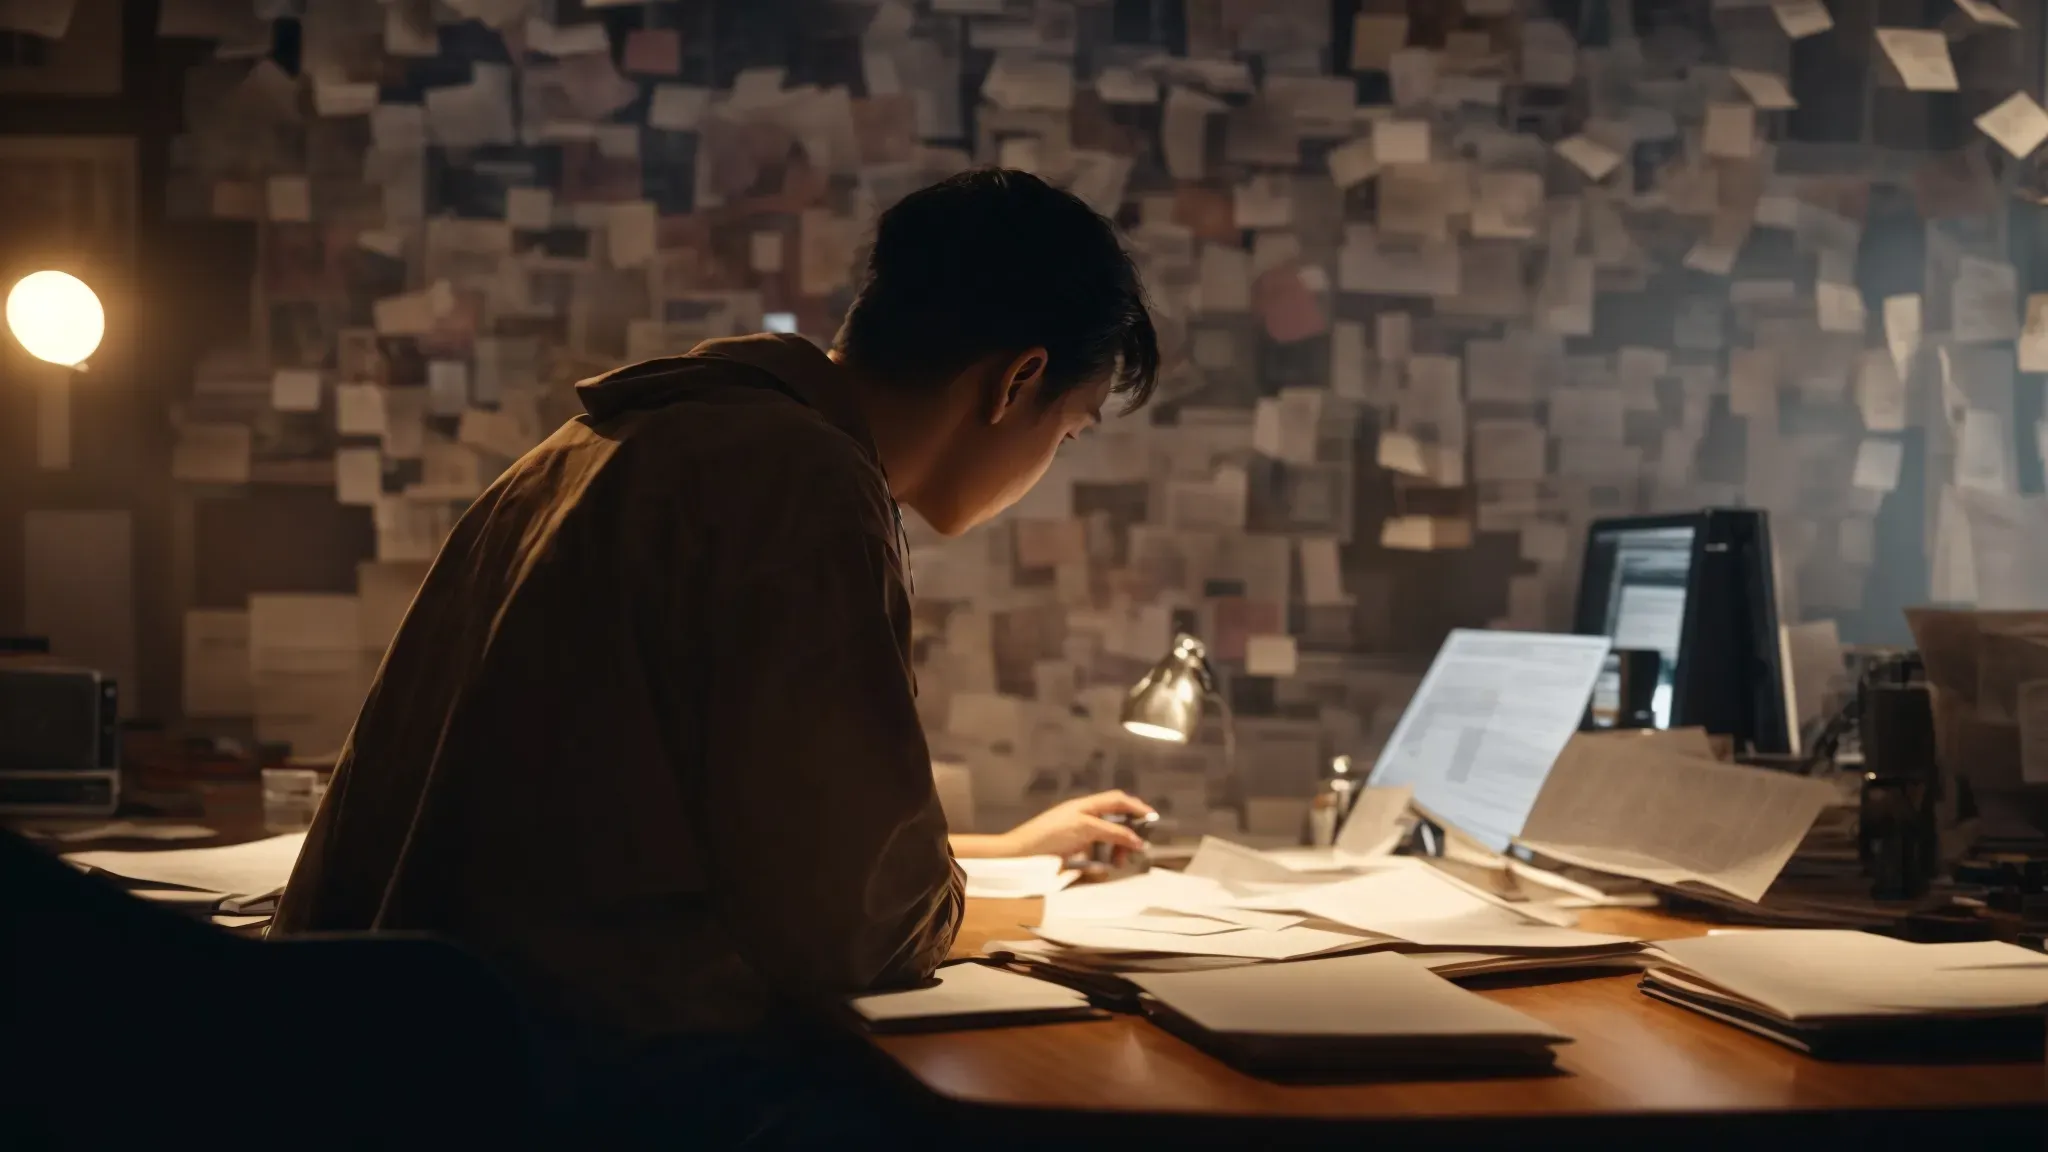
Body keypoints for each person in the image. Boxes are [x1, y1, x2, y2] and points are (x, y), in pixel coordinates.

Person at [272, 169, 1161, 1141]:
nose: (1049, 460)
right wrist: (949, 897)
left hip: (385, 1058)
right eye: (1067, 434)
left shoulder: (608, 438)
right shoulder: (799, 483)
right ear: (1016, 380)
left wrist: (987, 856)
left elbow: (699, 820)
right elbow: (851, 932)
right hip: (580, 1086)